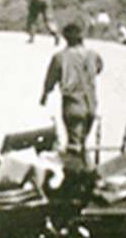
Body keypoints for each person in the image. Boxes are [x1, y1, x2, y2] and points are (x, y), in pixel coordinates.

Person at [40, 20, 104, 162]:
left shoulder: (60, 57)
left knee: (74, 145)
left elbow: (50, 79)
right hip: (91, 105)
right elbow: (99, 68)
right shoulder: (93, 55)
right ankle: (84, 172)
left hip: (72, 105)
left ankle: (78, 178)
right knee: (82, 141)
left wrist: (44, 95)